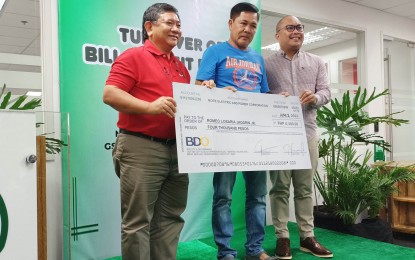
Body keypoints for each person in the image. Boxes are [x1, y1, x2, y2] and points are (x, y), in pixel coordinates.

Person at [103, 3, 190, 260]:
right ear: (149, 27)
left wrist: (207, 91)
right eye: (169, 23)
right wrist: (150, 108)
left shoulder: (180, 66)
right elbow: (110, 93)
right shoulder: (133, 56)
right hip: (141, 148)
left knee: (170, 219)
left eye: (179, 24)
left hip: (177, 151)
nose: (176, 29)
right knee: (138, 222)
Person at [196, 3, 275, 260]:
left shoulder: (258, 59)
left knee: (258, 197)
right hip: (225, 137)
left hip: (255, 138)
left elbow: (263, 96)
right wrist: (212, 88)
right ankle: (226, 252)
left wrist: (278, 100)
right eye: (243, 23)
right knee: (223, 198)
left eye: (253, 25)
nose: (248, 29)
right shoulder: (215, 52)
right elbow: (199, 88)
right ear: (231, 23)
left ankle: (255, 250)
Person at [265, 15, 333, 259]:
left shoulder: (316, 62)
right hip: (279, 136)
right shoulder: (267, 64)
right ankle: (282, 237)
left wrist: (316, 98)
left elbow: (326, 91)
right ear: (278, 35)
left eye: (300, 27)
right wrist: (274, 100)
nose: (296, 32)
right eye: (290, 28)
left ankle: (307, 237)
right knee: (280, 189)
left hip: (307, 133)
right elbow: (260, 95)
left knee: (305, 189)